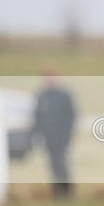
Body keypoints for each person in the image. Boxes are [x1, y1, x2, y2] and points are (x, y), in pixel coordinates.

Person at [31, 70, 77, 199]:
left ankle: (67, 193)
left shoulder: (64, 96)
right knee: (52, 166)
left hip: (61, 138)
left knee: (61, 164)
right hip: (48, 138)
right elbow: (37, 118)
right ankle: (56, 192)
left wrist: (67, 134)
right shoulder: (42, 96)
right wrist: (36, 135)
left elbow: (71, 116)